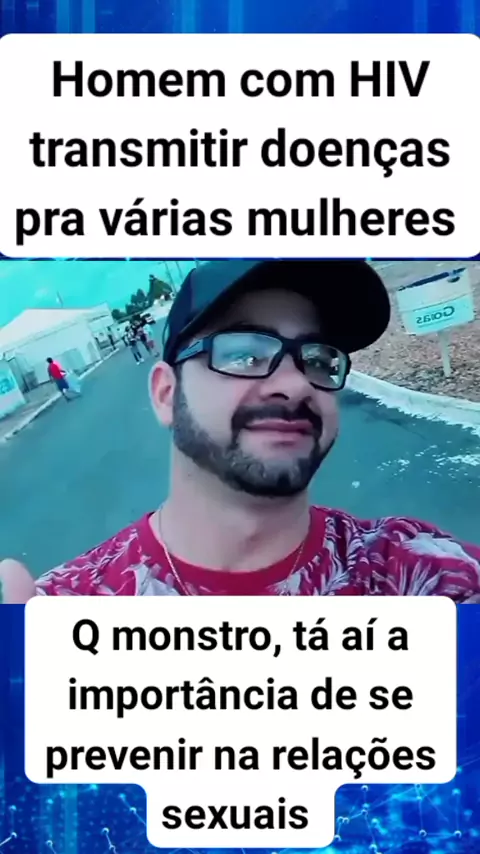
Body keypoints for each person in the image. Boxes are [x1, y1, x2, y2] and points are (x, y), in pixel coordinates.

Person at [2, 259, 480, 602]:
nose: (296, 384)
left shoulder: (414, 575)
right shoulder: (70, 614)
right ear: (166, 394)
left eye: (318, 359)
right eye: (245, 354)